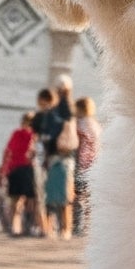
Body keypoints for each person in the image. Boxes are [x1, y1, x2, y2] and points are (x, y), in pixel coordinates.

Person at [44, 100, 80, 240]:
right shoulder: (69, 123)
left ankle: (64, 228)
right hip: (60, 161)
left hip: (62, 162)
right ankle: (57, 228)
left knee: (62, 197)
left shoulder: (65, 123)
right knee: (57, 197)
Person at [1, 113, 40, 236]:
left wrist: (3, 170)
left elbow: (7, 152)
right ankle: (28, 227)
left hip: (14, 169)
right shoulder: (33, 136)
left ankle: (15, 227)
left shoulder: (16, 133)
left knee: (15, 200)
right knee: (30, 200)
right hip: (27, 169)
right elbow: (33, 153)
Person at [73, 94, 101, 234]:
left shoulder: (79, 124)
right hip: (95, 163)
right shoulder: (96, 124)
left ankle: (78, 226)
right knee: (90, 196)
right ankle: (89, 225)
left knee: (78, 195)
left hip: (82, 162)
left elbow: (76, 144)